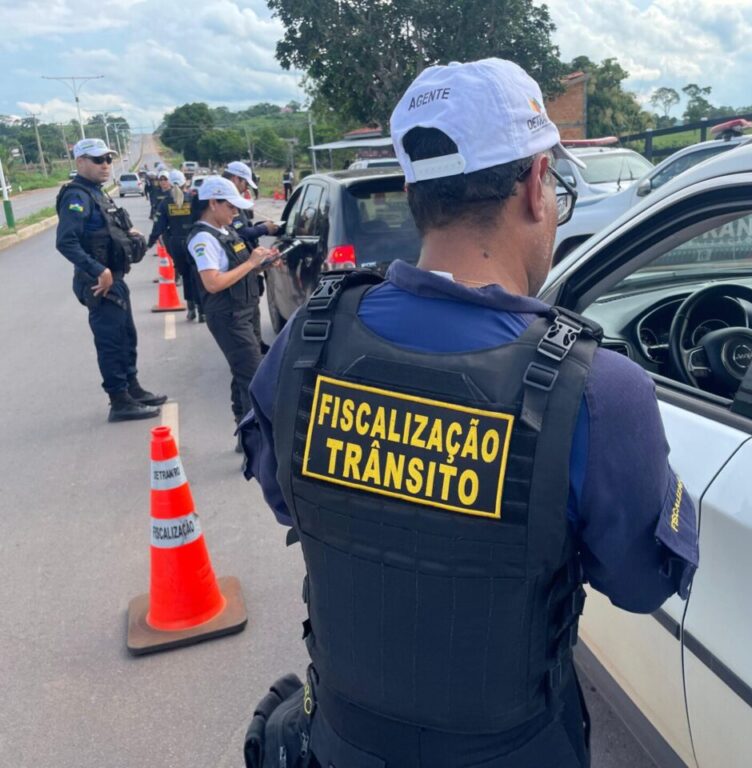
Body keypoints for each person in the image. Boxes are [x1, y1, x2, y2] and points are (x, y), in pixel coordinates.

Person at [240, 59, 699, 768]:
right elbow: (643, 583)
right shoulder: (598, 390)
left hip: (343, 741)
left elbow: (286, 498)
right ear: (537, 185)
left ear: (412, 193)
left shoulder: (310, 338)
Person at [55, 137, 166, 422]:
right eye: (98, 160)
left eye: (108, 159)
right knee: (111, 341)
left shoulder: (97, 193)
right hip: (99, 281)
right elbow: (66, 241)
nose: (105, 164)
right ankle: (119, 401)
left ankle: (132, 388)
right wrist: (98, 270)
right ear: (80, 162)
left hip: (114, 277)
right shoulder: (76, 196)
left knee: (126, 336)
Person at [187, 176, 278, 450]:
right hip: (228, 316)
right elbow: (213, 283)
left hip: (246, 311)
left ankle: (245, 435)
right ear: (213, 203)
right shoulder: (203, 238)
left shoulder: (225, 231)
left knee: (244, 372)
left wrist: (264, 263)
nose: (235, 212)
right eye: (230, 207)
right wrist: (250, 263)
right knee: (254, 376)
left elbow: (237, 269)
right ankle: (256, 442)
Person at [223, 160, 281, 352]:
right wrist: (264, 229)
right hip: (238, 269)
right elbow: (238, 233)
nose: (246, 188)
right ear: (235, 179)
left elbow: (243, 230)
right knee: (246, 315)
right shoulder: (227, 203)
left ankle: (257, 345)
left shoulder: (233, 202)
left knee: (253, 307)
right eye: (245, 183)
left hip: (246, 264)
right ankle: (253, 350)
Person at [148, 170, 204, 322]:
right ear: (185, 182)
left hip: (176, 244)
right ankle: (202, 311)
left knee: (186, 276)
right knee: (198, 275)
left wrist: (149, 243)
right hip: (195, 242)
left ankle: (191, 310)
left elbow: (158, 227)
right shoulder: (193, 200)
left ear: (171, 183)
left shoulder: (165, 203)